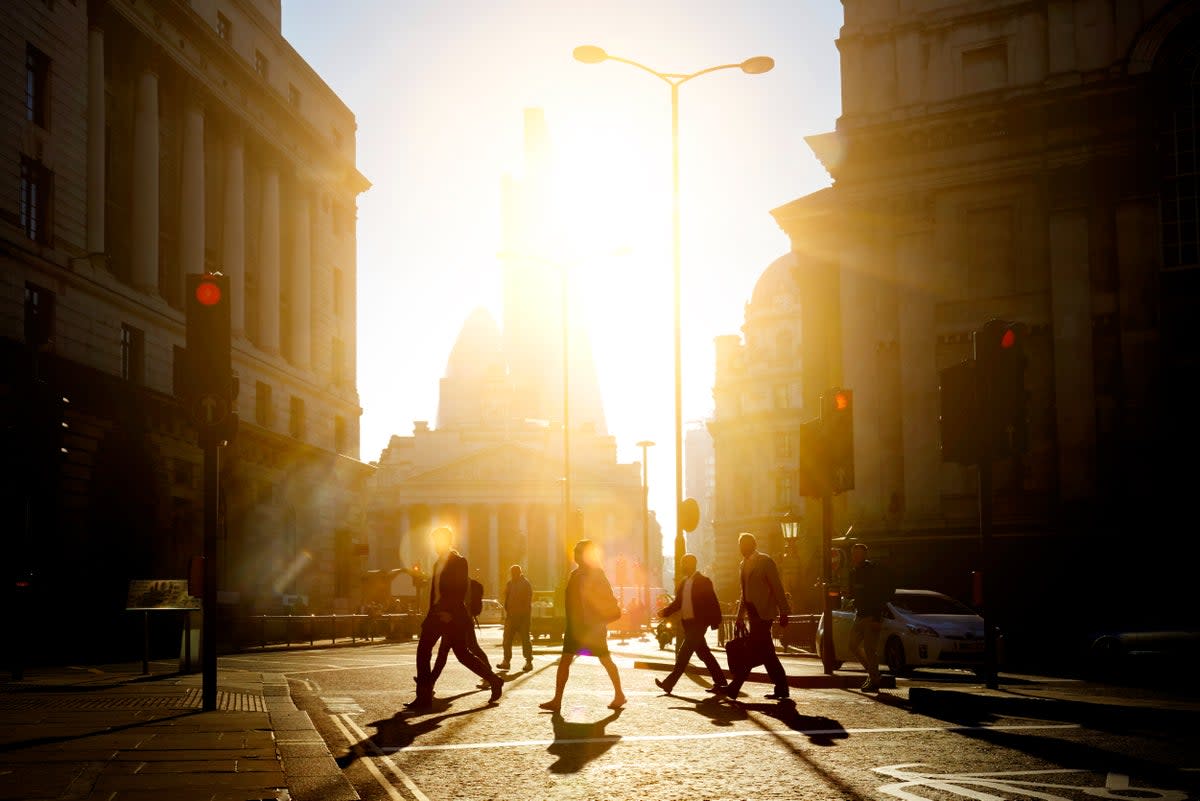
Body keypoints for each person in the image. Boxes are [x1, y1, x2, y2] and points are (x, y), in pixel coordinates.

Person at [405, 526, 503, 710]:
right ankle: (423, 697)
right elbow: (435, 592)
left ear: (447, 541)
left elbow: (459, 589)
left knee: (462, 654)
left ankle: (494, 679)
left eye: (438, 541)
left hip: (452, 615)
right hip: (436, 614)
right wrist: (431, 612)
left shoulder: (459, 561)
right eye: (433, 541)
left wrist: (449, 613)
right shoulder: (437, 563)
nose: (435, 545)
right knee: (424, 650)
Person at [539, 539, 626, 712]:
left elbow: (606, 598)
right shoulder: (575, 574)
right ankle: (557, 700)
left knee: (605, 659)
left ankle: (620, 694)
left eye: (578, 551)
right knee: (564, 661)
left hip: (592, 627)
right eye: (575, 551)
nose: (575, 554)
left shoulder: (596, 573)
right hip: (575, 626)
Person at [721, 532, 791, 702]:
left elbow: (777, 587)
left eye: (744, 544)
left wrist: (784, 610)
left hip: (764, 614)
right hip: (752, 615)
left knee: (754, 652)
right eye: (740, 544)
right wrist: (739, 616)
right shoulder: (742, 564)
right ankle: (782, 687)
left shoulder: (765, 561)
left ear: (753, 544)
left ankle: (735, 686)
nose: (741, 547)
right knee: (767, 654)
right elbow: (743, 593)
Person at [653, 553, 727, 695]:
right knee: (704, 654)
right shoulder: (683, 582)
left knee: (683, 654)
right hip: (688, 624)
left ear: (691, 564)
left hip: (699, 624)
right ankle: (721, 683)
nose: (681, 566)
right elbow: (678, 603)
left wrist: (715, 621)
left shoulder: (703, 581)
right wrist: (665, 612)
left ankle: (669, 684)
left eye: (683, 563)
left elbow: (712, 601)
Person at [430, 569, 491, 688]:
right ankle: (490, 677)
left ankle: (491, 677)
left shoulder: (461, 584)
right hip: (459, 622)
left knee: (448, 652)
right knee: (468, 649)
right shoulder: (465, 582)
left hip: (460, 623)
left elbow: (459, 604)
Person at [846, 542, 891, 693]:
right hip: (860, 614)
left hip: (872, 615)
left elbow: (879, 595)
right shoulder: (853, 572)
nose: (855, 556)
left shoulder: (872, 571)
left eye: (858, 554)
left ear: (865, 555)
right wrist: (852, 600)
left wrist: (878, 618)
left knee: (869, 649)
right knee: (852, 645)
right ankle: (874, 675)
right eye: (854, 553)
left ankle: (873, 679)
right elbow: (855, 593)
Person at [497, 564, 534, 672]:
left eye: (514, 573)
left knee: (525, 640)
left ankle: (528, 662)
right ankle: (506, 661)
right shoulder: (510, 583)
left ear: (519, 572)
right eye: (512, 573)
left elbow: (528, 601)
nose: (512, 575)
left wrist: (523, 613)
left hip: (523, 617)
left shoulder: (526, 584)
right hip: (511, 617)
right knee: (507, 640)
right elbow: (506, 598)